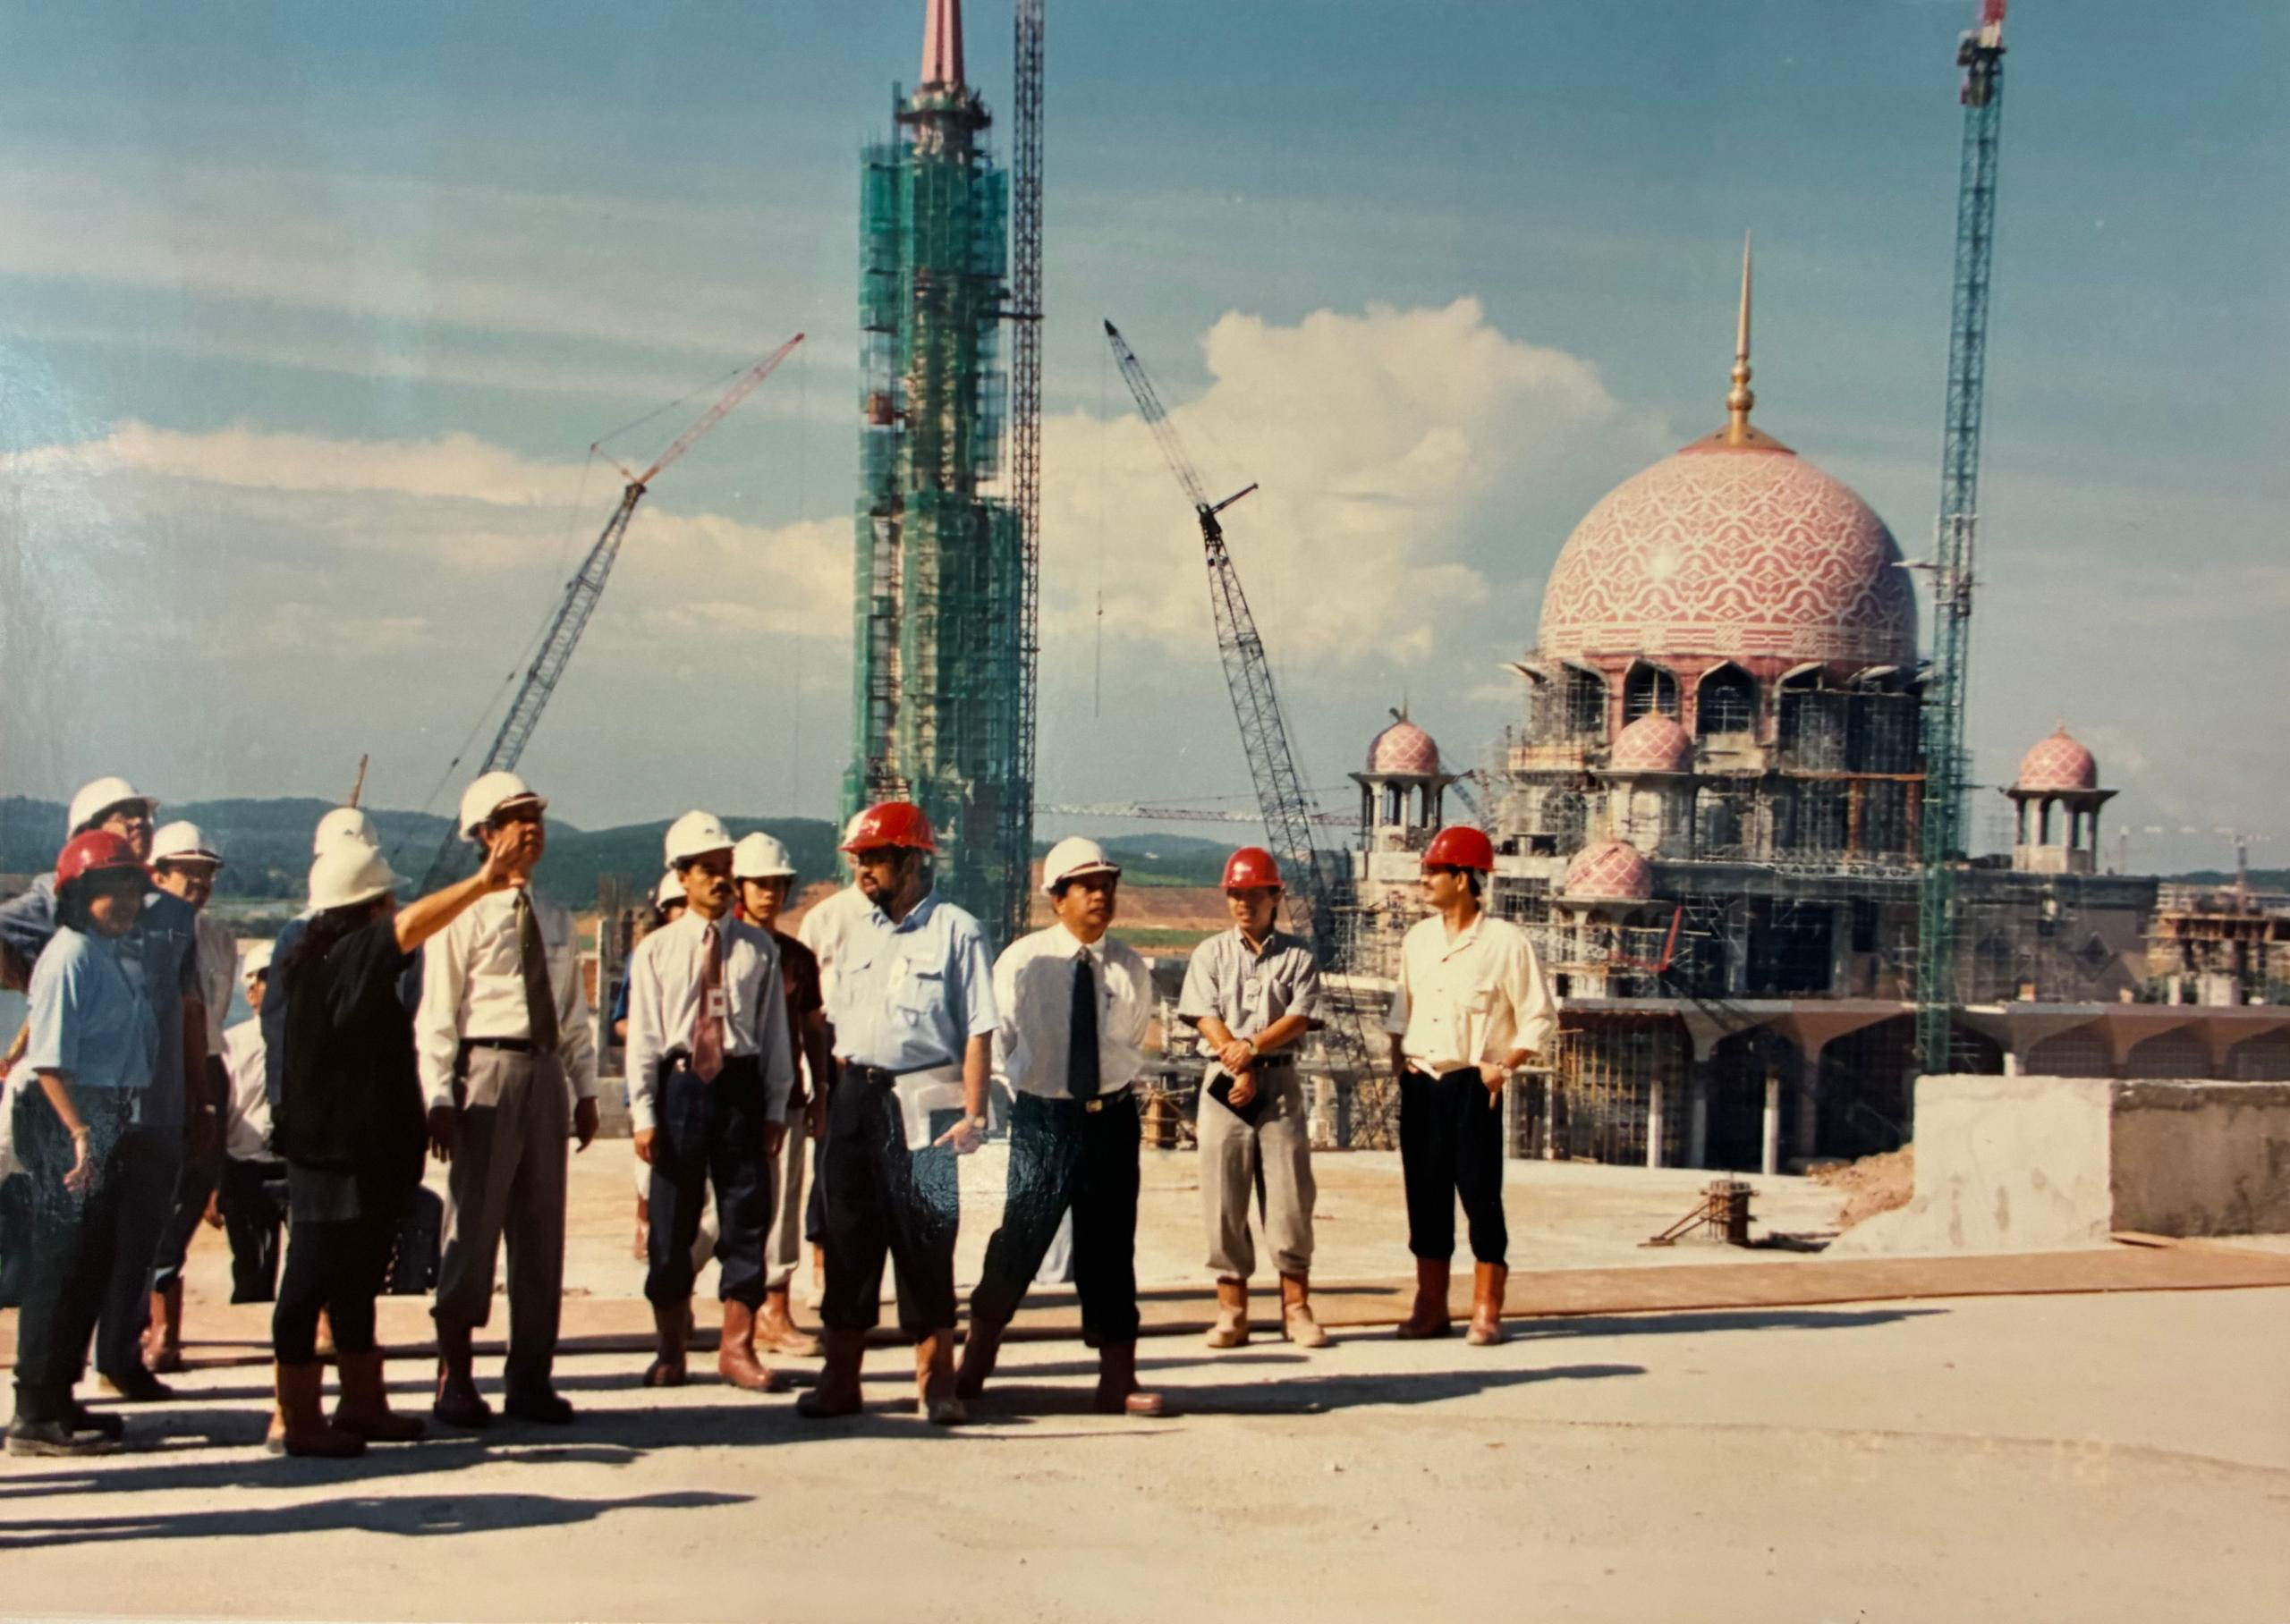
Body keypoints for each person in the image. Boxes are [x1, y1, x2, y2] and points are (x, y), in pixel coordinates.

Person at [267, 830, 521, 1457]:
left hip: (360, 1152)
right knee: (307, 1283)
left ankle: (361, 1403)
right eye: (383, 902)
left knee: (354, 1280)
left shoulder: (323, 960)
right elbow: (409, 927)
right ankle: (298, 1416)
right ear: (366, 908)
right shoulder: (341, 958)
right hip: (329, 1157)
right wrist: (482, 884)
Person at [0, 776, 211, 1402]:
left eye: (143, 815)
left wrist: (200, 1097)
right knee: (70, 1252)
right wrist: (30, 986)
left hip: (154, 1103)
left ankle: (119, 1358)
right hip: (83, 1111)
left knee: (136, 1242)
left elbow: (189, 1006)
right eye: (122, 816)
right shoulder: (55, 901)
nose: (139, 824)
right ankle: (47, 1392)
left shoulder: (172, 912)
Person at [797, 800, 994, 1425]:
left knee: (927, 1242)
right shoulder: (849, 932)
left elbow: (978, 1029)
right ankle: (840, 1380)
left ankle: (937, 1385)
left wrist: (976, 1112)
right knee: (849, 1238)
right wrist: (826, 1100)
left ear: (911, 861)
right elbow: (831, 1025)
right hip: (856, 1096)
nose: (864, 870)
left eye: (876, 858)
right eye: (859, 859)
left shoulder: (957, 931)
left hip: (927, 1102)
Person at [954, 837, 1165, 1417]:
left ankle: (1117, 1377)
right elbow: (1002, 1040)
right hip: (1045, 1120)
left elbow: (1127, 1041)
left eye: (1108, 885)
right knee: (1019, 1241)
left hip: (1110, 1121)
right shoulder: (1023, 963)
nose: (1101, 896)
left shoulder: (1128, 966)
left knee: (1110, 1250)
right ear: (1058, 898)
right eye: (1087, 886)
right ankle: (975, 1360)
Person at [417, 772, 598, 1429]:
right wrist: (438, 1093)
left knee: (541, 1233)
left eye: (536, 818)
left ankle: (530, 1377)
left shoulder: (552, 917)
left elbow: (573, 1011)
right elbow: (438, 1011)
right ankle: (455, 1373)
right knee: (473, 1227)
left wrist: (583, 1089)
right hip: (485, 1069)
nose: (531, 830)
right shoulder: (460, 915)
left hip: (543, 1069)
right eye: (517, 818)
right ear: (485, 834)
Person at [625, 813, 797, 1391]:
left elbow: (777, 1034)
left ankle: (737, 1348)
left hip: (741, 1089)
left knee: (747, 1217)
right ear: (682, 875)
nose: (720, 881)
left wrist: (776, 1106)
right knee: (671, 1224)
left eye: (727, 870)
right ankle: (670, 1348)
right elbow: (645, 1038)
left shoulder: (758, 951)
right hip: (681, 1090)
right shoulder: (656, 951)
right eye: (707, 871)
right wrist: (644, 1114)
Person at [6, 832, 157, 1456]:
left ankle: (61, 1395)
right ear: (77, 895)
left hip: (102, 1114)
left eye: (131, 889)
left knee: (89, 1261)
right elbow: (49, 1061)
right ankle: (35, 1410)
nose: (122, 901)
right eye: (107, 889)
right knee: (60, 1263)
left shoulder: (106, 953)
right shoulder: (68, 955)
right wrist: (78, 1134)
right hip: (67, 1116)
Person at [1383, 825, 1557, 1345]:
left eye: (1433, 872)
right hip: (1422, 1082)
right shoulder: (1418, 940)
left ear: (1463, 878)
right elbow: (1402, 1010)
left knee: (1481, 1195)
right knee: (1425, 1197)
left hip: (1471, 1083)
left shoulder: (1505, 943)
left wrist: (1504, 1065)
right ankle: (1431, 1306)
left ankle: (1487, 1307)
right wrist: (1400, 1064)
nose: (1424, 881)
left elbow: (1538, 1016)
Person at [1177, 846, 1328, 1350]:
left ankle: (1296, 1307)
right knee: (1224, 1198)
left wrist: (1253, 1049)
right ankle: (1232, 1310)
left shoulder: (1298, 957)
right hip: (1223, 1084)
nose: (1243, 904)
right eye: (1235, 895)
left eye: (1253, 895)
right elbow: (1203, 1012)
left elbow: (1299, 1016)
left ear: (1275, 897)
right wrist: (1233, 1057)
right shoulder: (1210, 954)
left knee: (1288, 1199)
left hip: (1278, 1082)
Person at [143, 821, 239, 1373]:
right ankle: (153, 1330)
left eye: (207, 875)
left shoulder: (219, 937)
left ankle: (166, 1328)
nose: (199, 885)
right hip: (160, 1077)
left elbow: (214, 1014)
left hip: (206, 1069)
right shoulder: (144, 933)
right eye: (189, 873)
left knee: (191, 1195)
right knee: (153, 1202)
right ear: (157, 875)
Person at [732, 831, 830, 1358]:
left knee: (784, 1207)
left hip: (785, 1098)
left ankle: (774, 1309)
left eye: (778, 884)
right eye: (760, 884)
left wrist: (819, 1095)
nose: (770, 893)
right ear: (738, 886)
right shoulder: (723, 947)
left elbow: (813, 1028)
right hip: (727, 1100)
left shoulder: (796, 957)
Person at [212, 942, 288, 1303]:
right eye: (270, 978)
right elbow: (219, 1112)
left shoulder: (313, 1039)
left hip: (297, 1166)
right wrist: (212, 1182)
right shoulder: (232, 1045)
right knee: (252, 1269)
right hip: (246, 1168)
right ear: (251, 991)